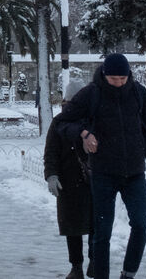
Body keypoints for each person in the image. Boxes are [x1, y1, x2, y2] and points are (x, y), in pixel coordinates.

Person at [58, 54, 146, 279]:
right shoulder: (91, 94)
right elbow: (63, 122)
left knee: (141, 225)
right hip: (103, 173)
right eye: (114, 79)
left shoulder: (138, 93)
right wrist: (84, 133)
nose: (119, 83)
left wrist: (145, 147)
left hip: (134, 172)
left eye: (123, 78)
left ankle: (128, 274)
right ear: (104, 75)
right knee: (102, 232)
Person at [45, 81, 92, 279]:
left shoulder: (92, 119)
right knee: (73, 227)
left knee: (95, 225)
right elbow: (51, 152)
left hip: (90, 180)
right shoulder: (59, 122)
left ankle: (93, 262)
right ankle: (77, 266)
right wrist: (52, 175)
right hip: (69, 181)